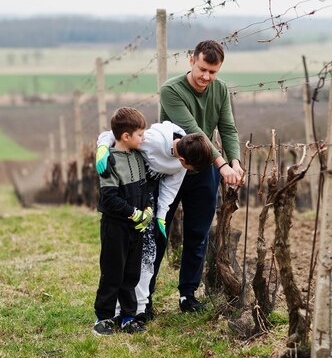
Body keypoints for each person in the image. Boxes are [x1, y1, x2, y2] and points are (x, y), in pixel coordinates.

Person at [154, 39, 243, 313]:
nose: (206, 77)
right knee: (158, 232)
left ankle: (187, 296)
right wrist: (222, 164)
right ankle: (142, 296)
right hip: (172, 168)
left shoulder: (220, 89)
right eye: (203, 69)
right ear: (191, 61)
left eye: (213, 72)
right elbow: (194, 130)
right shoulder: (171, 90)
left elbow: (227, 128)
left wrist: (235, 162)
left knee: (198, 234)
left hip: (204, 172)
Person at [95, 121, 213, 322]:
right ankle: (113, 311)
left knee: (146, 255)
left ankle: (139, 308)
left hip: (148, 201)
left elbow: (170, 187)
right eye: (188, 167)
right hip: (128, 192)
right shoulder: (152, 140)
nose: (186, 170)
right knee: (120, 258)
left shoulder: (183, 159)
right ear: (183, 159)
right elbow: (116, 133)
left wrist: (161, 216)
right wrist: (103, 147)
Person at [92, 107, 153, 336]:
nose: (143, 138)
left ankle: (128, 316)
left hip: (135, 227)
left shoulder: (138, 157)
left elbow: (145, 188)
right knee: (112, 272)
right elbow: (109, 198)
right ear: (126, 136)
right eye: (139, 134)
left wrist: (146, 210)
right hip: (115, 226)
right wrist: (133, 213)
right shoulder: (109, 161)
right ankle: (104, 318)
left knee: (131, 273)